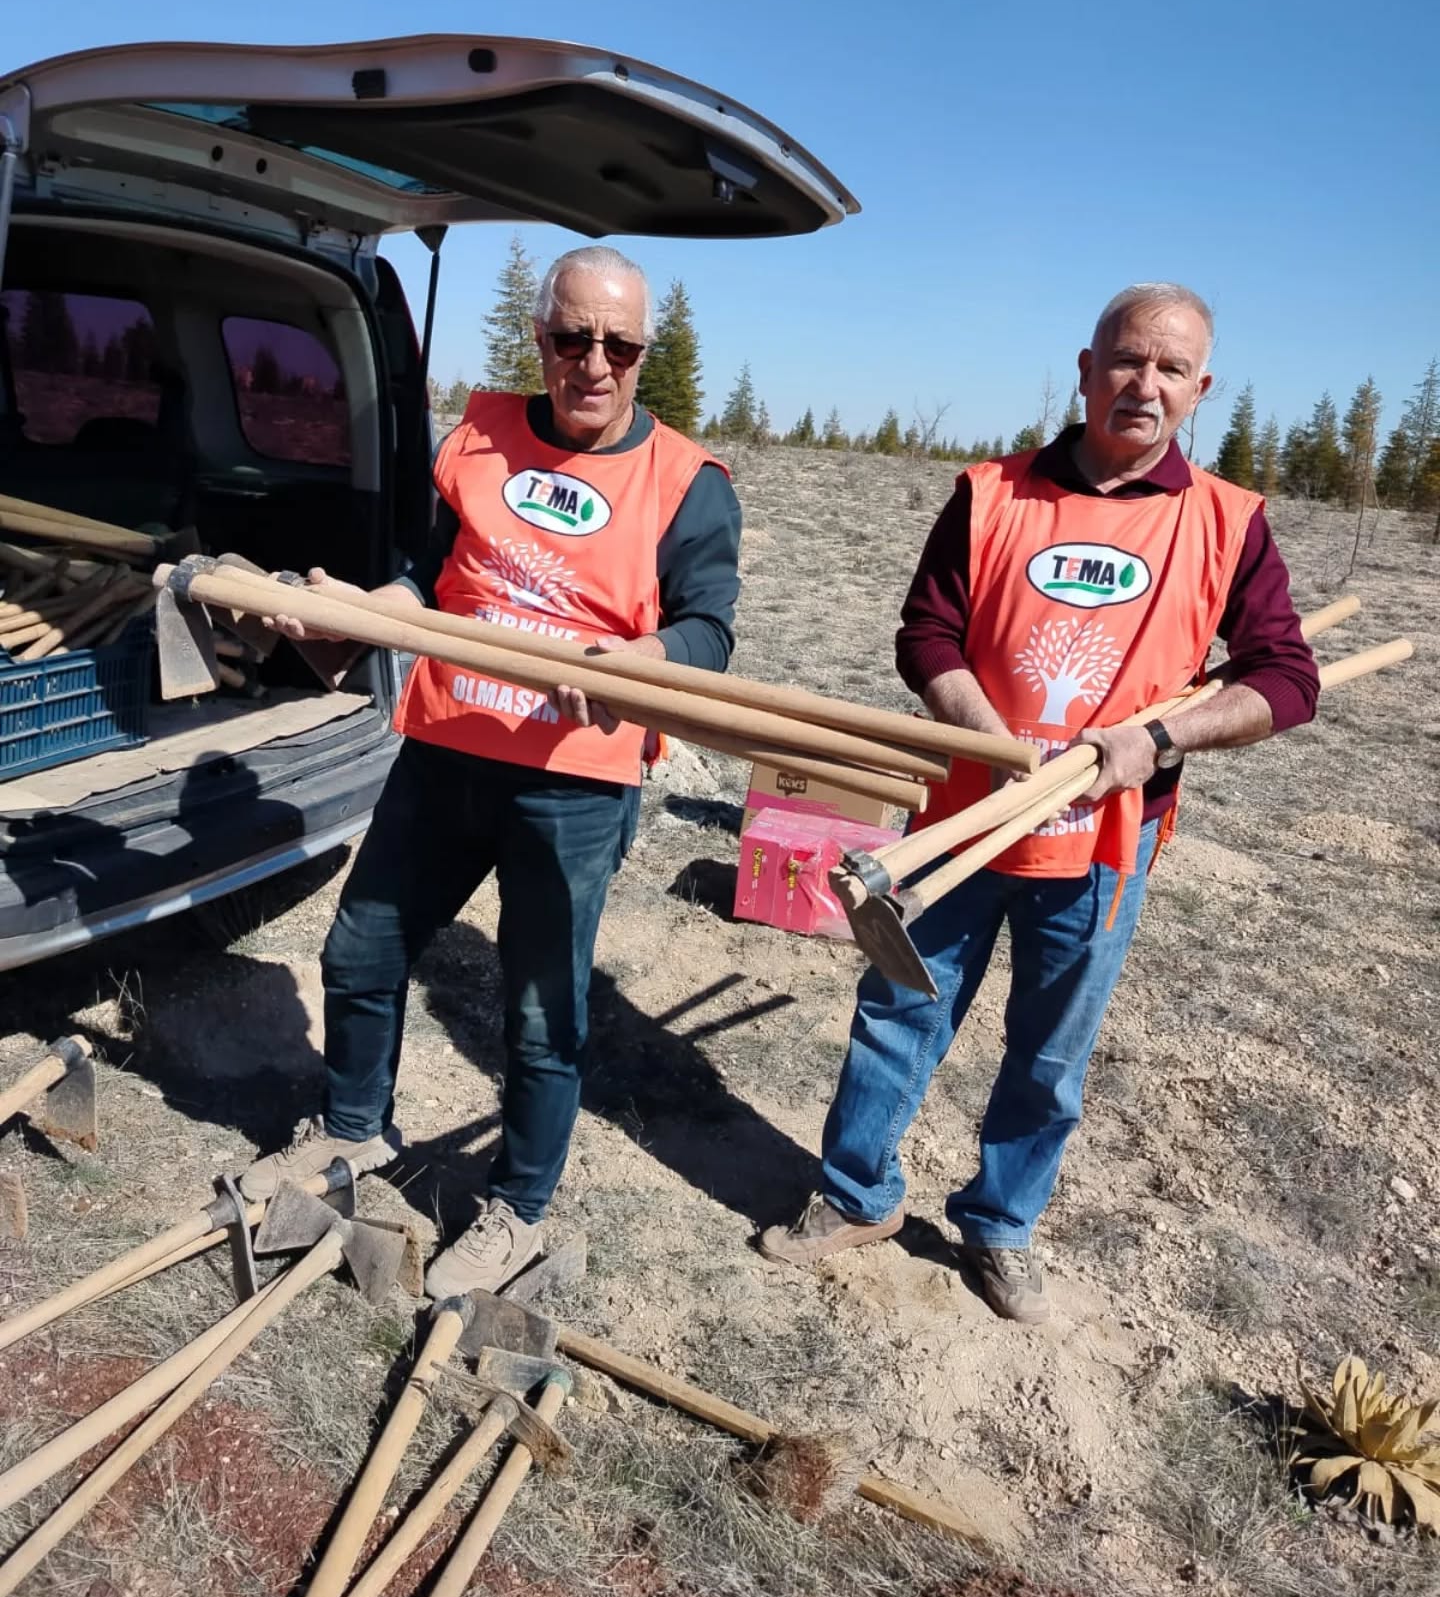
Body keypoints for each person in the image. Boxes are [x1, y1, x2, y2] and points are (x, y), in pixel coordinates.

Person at [760, 283, 1318, 1322]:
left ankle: (1001, 1224)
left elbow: (1286, 678)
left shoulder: (1228, 523)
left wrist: (1156, 741)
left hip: (1103, 841)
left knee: (1052, 1050)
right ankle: (855, 1193)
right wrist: (988, 737)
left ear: (1201, 389)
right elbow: (926, 634)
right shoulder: (992, 494)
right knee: (899, 1009)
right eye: (1127, 360)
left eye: (1171, 368)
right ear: (1087, 369)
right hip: (960, 824)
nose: (1144, 384)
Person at [240, 245, 741, 1298]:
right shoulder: (477, 440)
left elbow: (709, 632)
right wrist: (360, 614)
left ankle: (516, 1209)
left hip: (574, 781)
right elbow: (426, 579)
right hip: (448, 749)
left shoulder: (687, 484)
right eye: (572, 338)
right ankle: (354, 1129)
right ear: (540, 337)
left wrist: (637, 663)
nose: (593, 364)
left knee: (540, 1013)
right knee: (360, 949)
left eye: (618, 345)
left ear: (642, 351)